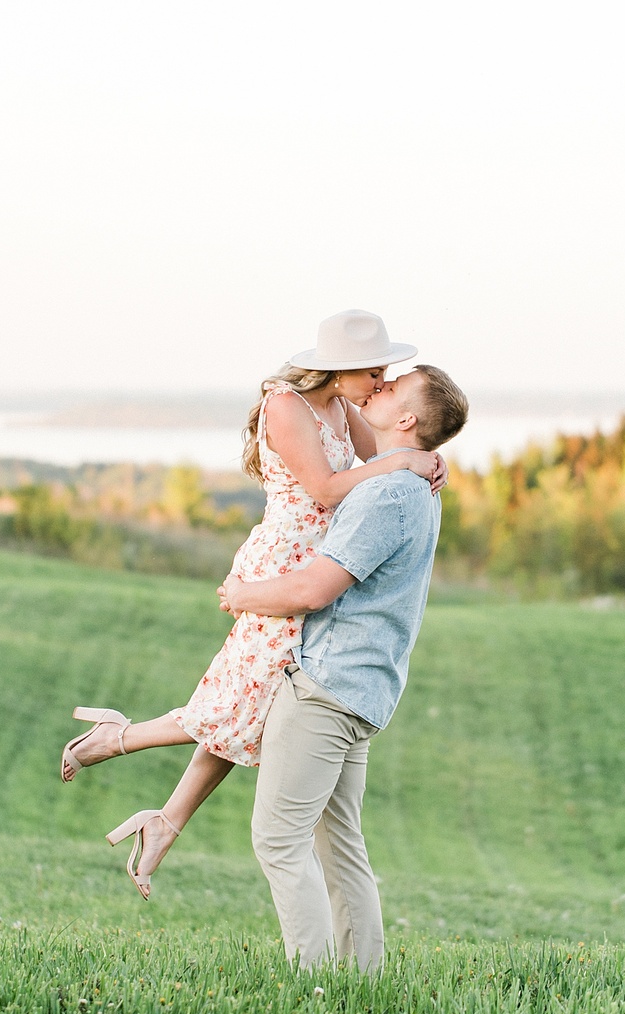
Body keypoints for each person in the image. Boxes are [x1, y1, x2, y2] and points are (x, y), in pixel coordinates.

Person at [59, 310, 446, 898]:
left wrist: (423, 456)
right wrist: (403, 462)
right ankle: (119, 741)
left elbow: (381, 461)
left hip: (320, 567)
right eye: (373, 371)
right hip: (284, 567)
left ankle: (163, 817)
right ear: (339, 370)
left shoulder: (344, 407)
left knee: (255, 708)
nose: (380, 382)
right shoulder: (286, 405)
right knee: (247, 703)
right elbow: (324, 488)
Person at [220, 364, 469, 970]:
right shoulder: (410, 486)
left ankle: (314, 986)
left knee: (278, 839)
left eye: (392, 389)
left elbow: (313, 588)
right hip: (365, 688)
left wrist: (240, 594)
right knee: (340, 847)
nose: (378, 388)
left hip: (327, 686)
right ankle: (362, 982)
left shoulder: (387, 495)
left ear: (407, 419)